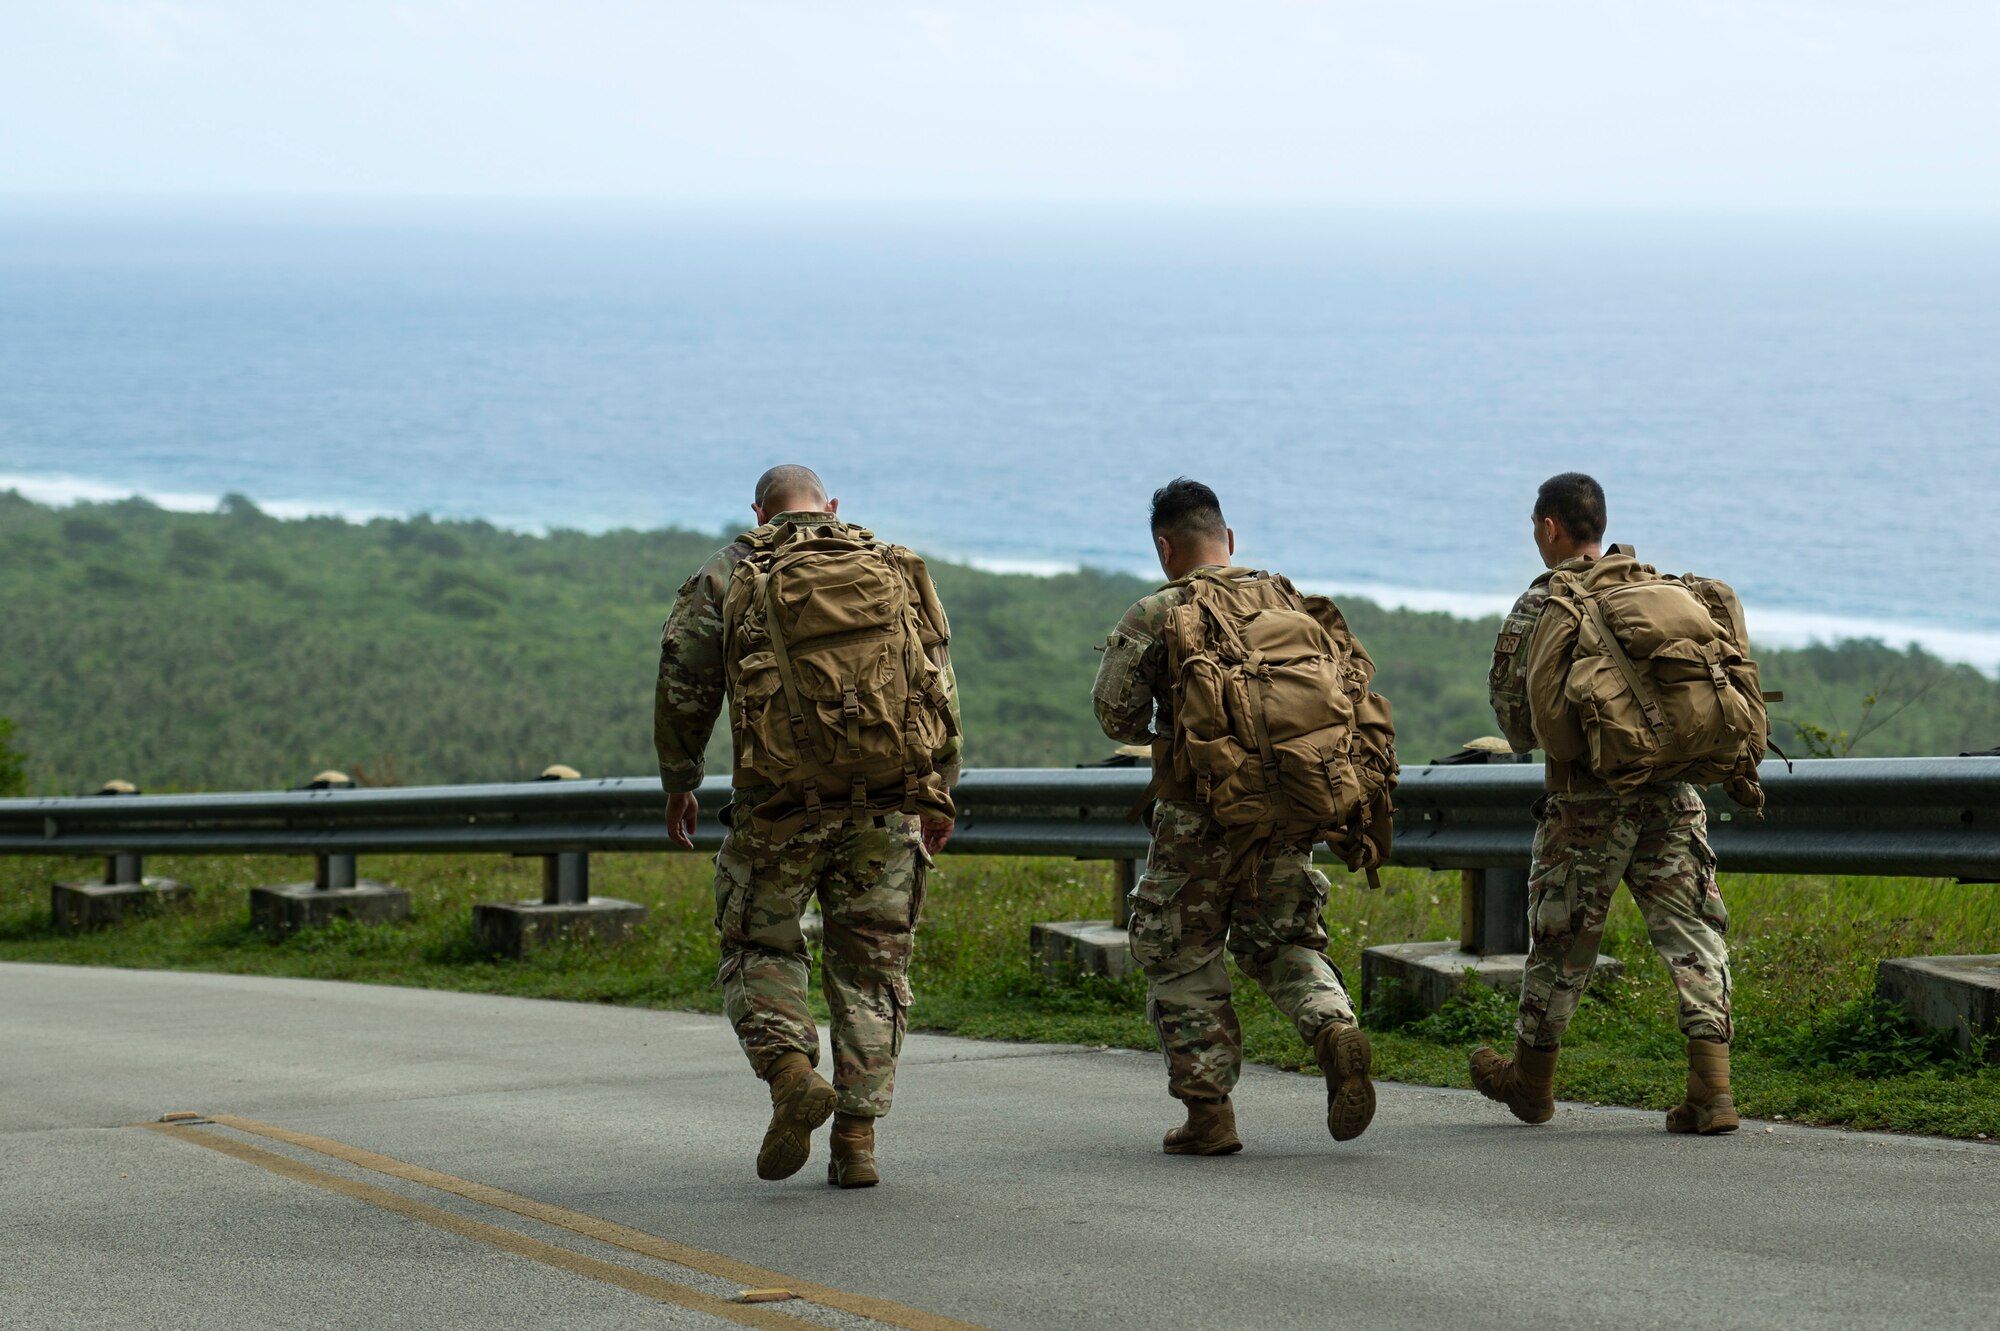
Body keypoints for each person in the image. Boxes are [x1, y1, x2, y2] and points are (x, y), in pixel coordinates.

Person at [656, 464, 961, 1187]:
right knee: (874, 968)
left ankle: (792, 1071)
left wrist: (681, 783)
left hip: (778, 805)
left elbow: (682, 686)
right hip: (886, 801)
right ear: (830, 506)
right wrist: (939, 788)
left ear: (759, 511)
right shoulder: (892, 565)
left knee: (758, 942)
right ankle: (856, 1141)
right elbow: (938, 681)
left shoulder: (728, 573)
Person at [1091, 478, 1393, 1155]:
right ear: (1227, 540)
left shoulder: (1157, 612)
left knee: (1181, 953)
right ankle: (1333, 1030)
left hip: (1199, 818)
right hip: (1289, 808)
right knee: (1285, 939)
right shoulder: (1289, 599)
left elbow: (1116, 714)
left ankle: (1209, 1114)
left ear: (1166, 548)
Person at [1472, 472, 1741, 1134]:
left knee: (1561, 940)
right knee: (1693, 930)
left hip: (1587, 800)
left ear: (1549, 529)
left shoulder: (1544, 603)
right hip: (1674, 791)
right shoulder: (1656, 588)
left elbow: (1516, 718)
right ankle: (1713, 1087)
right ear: (1600, 524)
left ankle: (1531, 1084)